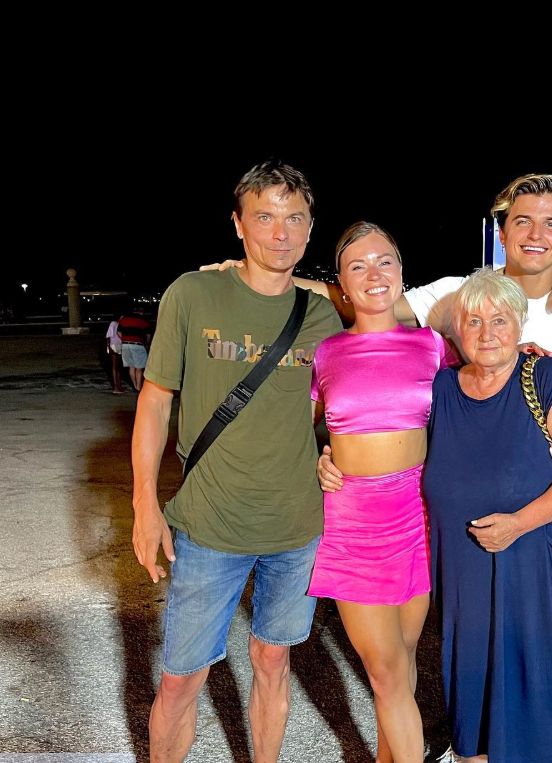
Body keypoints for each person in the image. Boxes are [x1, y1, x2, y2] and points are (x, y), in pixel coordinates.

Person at [202, 173, 552, 422]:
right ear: (502, 233)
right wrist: (263, 274)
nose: (535, 234)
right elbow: (360, 297)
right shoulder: (459, 295)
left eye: (551, 224)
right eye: (523, 221)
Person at [130, 160, 342, 763]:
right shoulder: (193, 294)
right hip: (209, 527)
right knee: (180, 678)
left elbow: (389, 318)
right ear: (238, 225)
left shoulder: (326, 313)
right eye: (265, 217)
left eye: (293, 218)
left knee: (274, 661)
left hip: (298, 527)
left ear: (309, 229)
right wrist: (145, 505)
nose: (280, 232)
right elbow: (154, 402)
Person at [420, 267, 552, 763]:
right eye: (474, 321)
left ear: (519, 325)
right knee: (474, 681)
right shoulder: (439, 389)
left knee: (539, 677)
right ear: (457, 329)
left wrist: (519, 524)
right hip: (464, 568)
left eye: (500, 320)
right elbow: (387, 444)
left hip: (536, 561)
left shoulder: (542, 375)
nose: (487, 333)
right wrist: (331, 459)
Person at [310, 221, 457, 763]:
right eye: (358, 265)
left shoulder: (433, 346)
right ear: (342, 285)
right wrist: (317, 461)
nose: (374, 273)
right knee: (386, 670)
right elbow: (293, 432)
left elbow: (468, 415)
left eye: (385, 261)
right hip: (352, 523)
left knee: (402, 663)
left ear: (401, 271)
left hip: (417, 517)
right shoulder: (324, 352)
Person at [118, 308, 152, 391]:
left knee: (131, 367)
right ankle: (139, 387)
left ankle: (135, 385)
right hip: (138, 345)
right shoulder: (144, 321)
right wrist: (147, 344)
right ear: (141, 313)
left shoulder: (124, 320)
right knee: (139, 368)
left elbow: (118, 332)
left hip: (125, 345)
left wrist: (123, 339)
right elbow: (148, 335)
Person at [105, 315, 125, 394]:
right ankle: (116, 387)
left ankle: (119, 385)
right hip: (114, 346)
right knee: (114, 367)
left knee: (119, 367)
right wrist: (108, 348)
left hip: (120, 346)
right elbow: (108, 337)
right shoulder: (113, 323)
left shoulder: (121, 325)